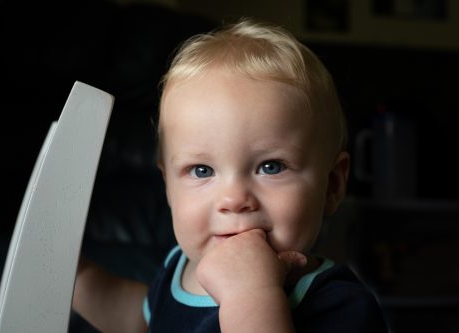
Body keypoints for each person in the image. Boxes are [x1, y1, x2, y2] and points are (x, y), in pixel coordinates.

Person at [72, 18, 388, 332]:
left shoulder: (340, 306)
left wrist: (249, 295)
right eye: (202, 170)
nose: (234, 199)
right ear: (168, 185)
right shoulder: (179, 267)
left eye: (270, 167)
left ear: (332, 186)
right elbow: (141, 322)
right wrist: (78, 277)